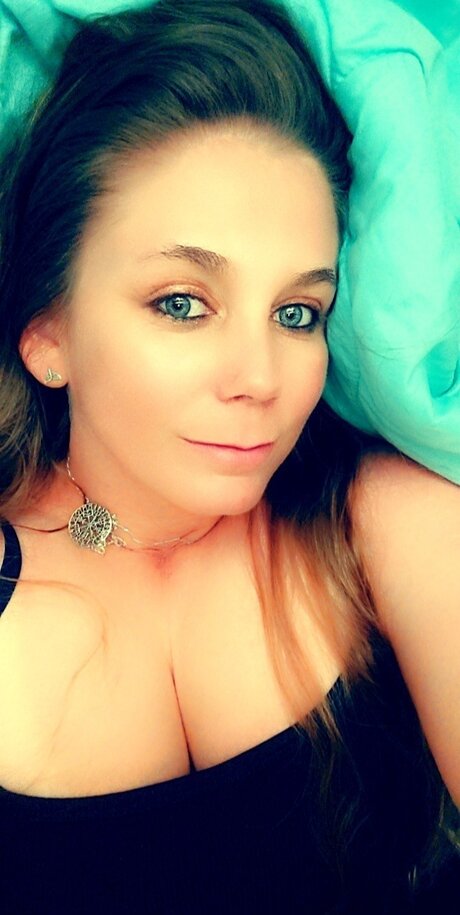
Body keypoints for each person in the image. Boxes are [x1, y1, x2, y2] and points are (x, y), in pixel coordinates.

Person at [0, 0, 458, 912]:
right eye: (182, 302)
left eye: (297, 313)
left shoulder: (385, 520)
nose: (261, 378)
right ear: (47, 332)